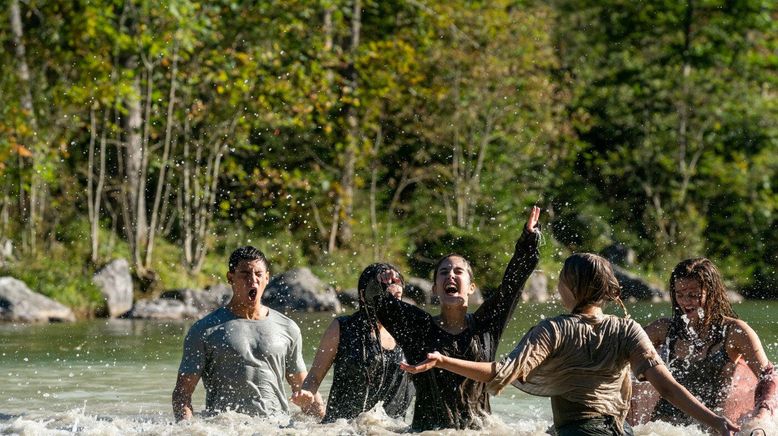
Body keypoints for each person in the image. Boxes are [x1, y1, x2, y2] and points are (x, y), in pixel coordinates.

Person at [401, 253, 740, 436]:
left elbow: (500, 373)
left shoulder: (554, 330)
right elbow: (667, 387)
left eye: (562, 279)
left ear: (573, 288)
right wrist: (716, 422)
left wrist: (444, 360)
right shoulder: (628, 328)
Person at [369, 206, 541, 430]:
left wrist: (528, 241)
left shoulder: (486, 326)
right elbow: (373, 298)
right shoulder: (417, 328)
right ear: (434, 289)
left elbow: (512, 286)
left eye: (458, 272)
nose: (451, 275)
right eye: (444, 272)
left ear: (471, 288)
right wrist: (381, 276)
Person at [171, 246, 323, 420]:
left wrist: (325, 423)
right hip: (226, 429)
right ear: (231, 278)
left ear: (267, 278)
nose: (253, 280)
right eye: (245, 274)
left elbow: (303, 390)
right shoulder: (204, 330)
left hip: (275, 429)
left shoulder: (288, 328)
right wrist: (189, 430)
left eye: (258, 274)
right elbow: (182, 394)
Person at [643, 257, 777, 425]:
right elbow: (623, 353)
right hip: (661, 427)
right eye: (679, 294)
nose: (685, 301)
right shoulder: (662, 330)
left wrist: (762, 412)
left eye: (693, 295)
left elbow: (768, 375)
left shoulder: (734, 331)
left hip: (711, 428)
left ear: (711, 293)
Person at [291, 263, 414, 422]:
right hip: (342, 428)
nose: (391, 304)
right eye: (383, 295)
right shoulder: (343, 327)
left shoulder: (408, 332)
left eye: (396, 298)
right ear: (364, 295)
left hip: (393, 430)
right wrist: (307, 392)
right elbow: (314, 376)